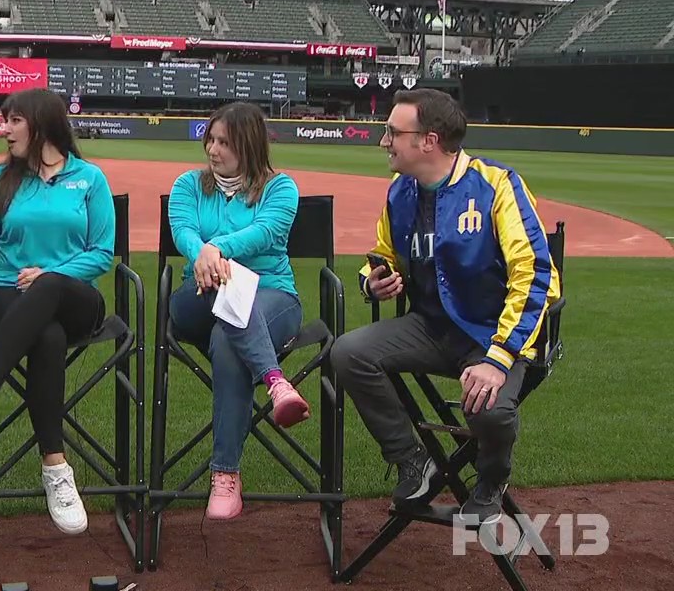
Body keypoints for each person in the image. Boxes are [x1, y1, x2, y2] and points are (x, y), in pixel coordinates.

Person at [331, 88, 561, 526]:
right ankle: (412, 460)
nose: (384, 141)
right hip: (429, 328)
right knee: (348, 352)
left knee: (488, 408)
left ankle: (491, 480)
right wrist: (372, 280)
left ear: (429, 141)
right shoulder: (400, 192)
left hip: (491, 335)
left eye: (393, 132)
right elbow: (383, 254)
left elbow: (535, 275)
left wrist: (499, 358)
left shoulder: (496, 185)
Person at [0, 88, 115, 536]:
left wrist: (51, 274)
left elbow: (101, 253)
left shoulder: (90, 178)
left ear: (42, 124)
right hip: (6, 296)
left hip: (76, 298)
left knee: (49, 287)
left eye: (14, 120)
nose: (4, 129)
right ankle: (57, 470)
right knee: (47, 337)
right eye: (5, 120)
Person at [165, 102, 308, 521]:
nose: (212, 149)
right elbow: (183, 231)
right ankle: (276, 381)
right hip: (197, 296)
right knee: (223, 294)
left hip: (273, 296)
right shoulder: (188, 185)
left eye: (224, 142)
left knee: (228, 339)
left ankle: (225, 475)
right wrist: (207, 255)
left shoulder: (281, 188)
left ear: (248, 145)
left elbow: (265, 233)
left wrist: (217, 248)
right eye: (210, 139)